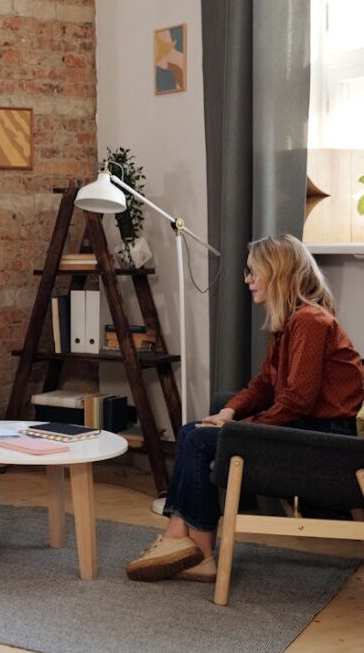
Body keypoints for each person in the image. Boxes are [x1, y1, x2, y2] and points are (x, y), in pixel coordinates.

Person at [126, 233, 363, 583]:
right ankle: (184, 540)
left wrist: (243, 428)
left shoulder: (311, 323)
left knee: (197, 438)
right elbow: (264, 384)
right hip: (309, 431)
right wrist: (229, 414)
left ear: (278, 272)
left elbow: (297, 400)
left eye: (254, 272)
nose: (247, 280)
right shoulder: (291, 324)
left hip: (326, 442)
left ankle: (192, 545)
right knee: (195, 431)